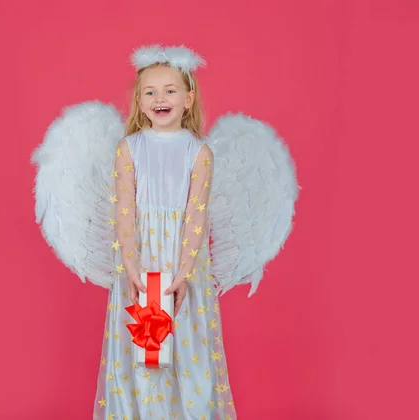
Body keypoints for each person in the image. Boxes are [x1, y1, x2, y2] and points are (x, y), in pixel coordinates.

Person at [31, 45, 299, 420]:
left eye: (170, 90)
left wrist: (185, 273)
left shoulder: (199, 153)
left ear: (188, 98)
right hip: (141, 264)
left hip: (182, 266)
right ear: (139, 102)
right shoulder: (129, 150)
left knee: (186, 347)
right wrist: (132, 267)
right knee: (143, 354)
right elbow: (123, 213)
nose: (161, 98)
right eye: (151, 92)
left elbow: (196, 215)